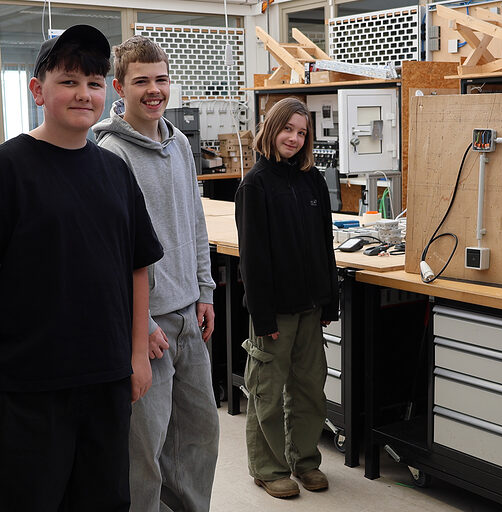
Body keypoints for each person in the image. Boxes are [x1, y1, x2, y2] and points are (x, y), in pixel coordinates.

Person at [0, 25, 163, 511]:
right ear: (37, 90)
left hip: (105, 376)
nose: (83, 94)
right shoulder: (9, 169)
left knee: (103, 498)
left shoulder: (114, 171)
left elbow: (137, 267)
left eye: (93, 82)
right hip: (28, 384)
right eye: (69, 81)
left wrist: (136, 354)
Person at [93, 35, 219, 511]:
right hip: (148, 326)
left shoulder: (179, 143)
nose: (154, 90)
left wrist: (205, 290)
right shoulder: (109, 154)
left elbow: (194, 218)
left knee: (198, 438)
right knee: (144, 451)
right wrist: (139, 324)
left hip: (188, 313)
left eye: (161, 79)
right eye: (141, 81)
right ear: (118, 88)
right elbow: (110, 254)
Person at [235, 97, 339, 499]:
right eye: (287, 130)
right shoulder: (255, 184)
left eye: (301, 132)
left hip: (311, 306)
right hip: (274, 312)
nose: (294, 139)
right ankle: (268, 468)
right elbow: (253, 260)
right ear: (271, 129)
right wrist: (263, 319)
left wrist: (330, 301)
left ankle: (305, 461)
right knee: (267, 392)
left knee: (310, 388)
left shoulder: (312, 180)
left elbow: (323, 246)